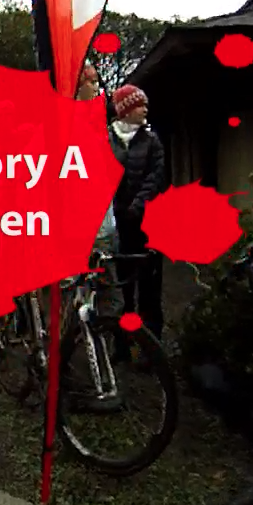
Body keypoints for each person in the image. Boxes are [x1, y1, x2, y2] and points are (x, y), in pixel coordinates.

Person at [109, 84, 168, 344]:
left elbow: (157, 177)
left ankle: (150, 345)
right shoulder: (106, 139)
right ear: (126, 110)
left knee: (150, 287)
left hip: (149, 225)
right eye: (139, 104)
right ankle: (122, 344)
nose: (145, 109)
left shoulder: (152, 140)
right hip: (119, 224)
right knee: (122, 288)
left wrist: (138, 205)